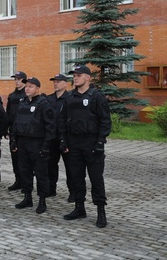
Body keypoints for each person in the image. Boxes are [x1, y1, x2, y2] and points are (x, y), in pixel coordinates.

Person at [60, 65, 111, 228]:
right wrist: (63, 141)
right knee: (76, 178)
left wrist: (100, 142)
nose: (75, 78)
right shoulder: (70, 97)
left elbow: (105, 121)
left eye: (79, 75)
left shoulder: (96, 96)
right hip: (74, 143)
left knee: (96, 179)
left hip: (92, 143)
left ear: (88, 78)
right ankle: (79, 208)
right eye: (74, 75)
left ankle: (101, 212)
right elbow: (62, 121)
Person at [11, 77, 56, 214]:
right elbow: (16, 123)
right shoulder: (23, 103)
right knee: (24, 171)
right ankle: (27, 197)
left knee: (41, 173)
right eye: (26, 86)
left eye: (30, 86)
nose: (27, 88)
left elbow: (50, 126)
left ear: (37, 89)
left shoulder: (44, 103)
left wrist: (46, 146)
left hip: (37, 143)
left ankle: (42, 200)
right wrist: (13, 140)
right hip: (23, 143)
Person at [46, 74, 73, 201]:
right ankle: (51, 189)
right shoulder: (49, 99)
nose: (55, 84)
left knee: (70, 167)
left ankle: (73, 192)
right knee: (51, 164)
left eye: (58, 81)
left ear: (65, 84)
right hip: (52, 137)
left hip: (66, 138)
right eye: (54, 81)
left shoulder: (70, 98)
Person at [6, 70, 27, 191]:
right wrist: (6, 129)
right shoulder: (12, 96)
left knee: (24, 159)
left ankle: (25, 182)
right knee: (15, 157)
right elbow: (8, 113)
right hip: (14, 131)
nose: (17, 82)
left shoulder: (26, 95)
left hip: (24, 131)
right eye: (16, 79)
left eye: (19, 80)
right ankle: (18, 180)